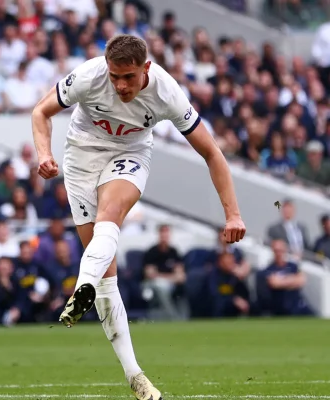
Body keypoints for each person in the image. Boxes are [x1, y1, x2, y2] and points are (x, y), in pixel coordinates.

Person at [30, 34, 246, 400]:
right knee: (106, 278)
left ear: (146, 68)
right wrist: (43, 154)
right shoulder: (88, 76)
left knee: (109, 214)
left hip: (129, 155)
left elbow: (211, 152)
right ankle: (136, 377)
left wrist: (233, 214)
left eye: (128, 77)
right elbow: (40, 112)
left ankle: (81, 284)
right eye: (115, 76)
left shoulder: (167, 93)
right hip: (81, 159)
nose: (120, 85)